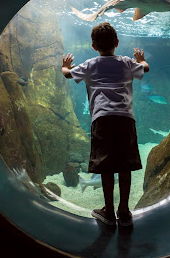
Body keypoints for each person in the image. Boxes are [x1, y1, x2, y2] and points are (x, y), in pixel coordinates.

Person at [61, 22, 149, 226]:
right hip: (125, 119)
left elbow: (67, 74)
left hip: (102, 119)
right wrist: (142, 60)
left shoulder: (91, 64)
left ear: (93, 46)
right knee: (125, 165)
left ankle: (108, 211)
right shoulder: (127, 62)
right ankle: (124, 211)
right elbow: (145, 69)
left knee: (106, 166)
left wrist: (65, 65)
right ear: (117, 43)